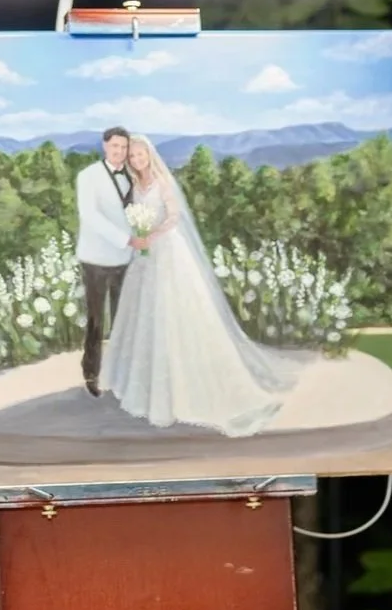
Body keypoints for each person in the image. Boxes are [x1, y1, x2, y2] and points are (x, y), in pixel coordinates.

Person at [98, 135, 300, 436]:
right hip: (145, 257)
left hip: (168, 252)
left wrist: (151, 236)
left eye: (141, 155)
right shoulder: (135, 187)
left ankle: (183, 392)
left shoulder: (162, 183)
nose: (137, 160)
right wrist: (137, 235)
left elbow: (173, 217)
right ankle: (145, 389)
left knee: (171, 313)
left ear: (149, 155)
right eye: (133, 157)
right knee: (144, 316)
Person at [74, 125, 136, 397]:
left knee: (124, 319)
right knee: (96, 321)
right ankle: (91, 373)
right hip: (96, 258)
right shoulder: (88, 176)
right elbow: (90, 216)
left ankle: (121, 374)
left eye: (123, 147)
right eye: (114, 146)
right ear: (104, 146)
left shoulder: (133, 176)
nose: (119, 152)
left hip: (126, 260)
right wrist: (126, 239)